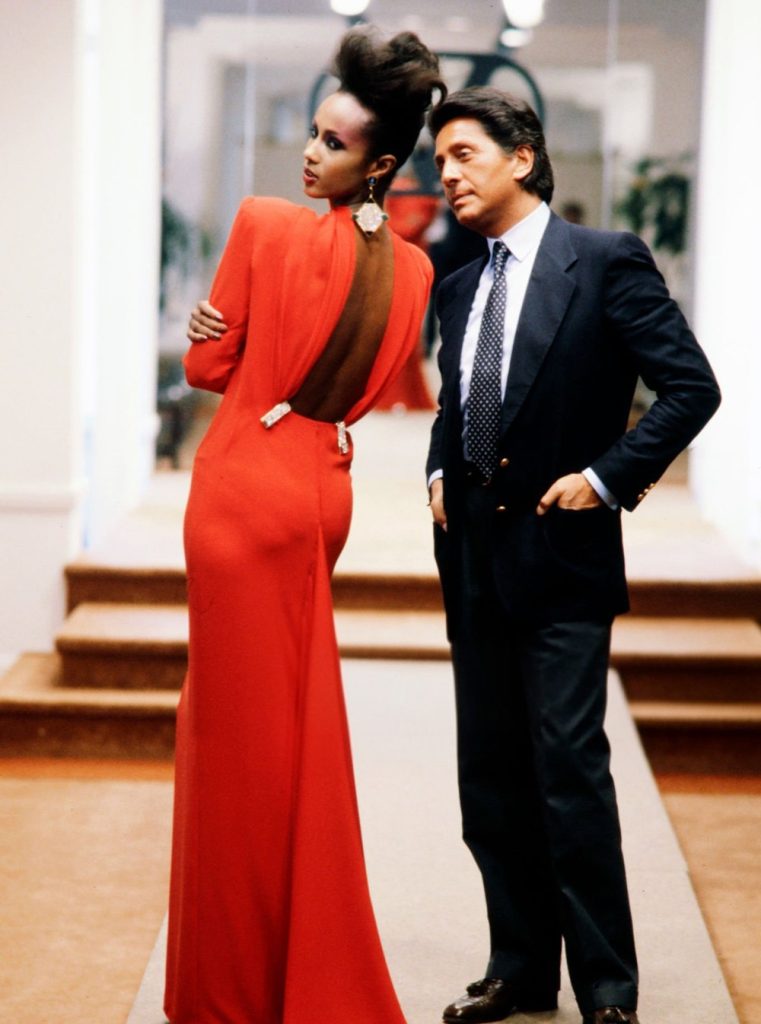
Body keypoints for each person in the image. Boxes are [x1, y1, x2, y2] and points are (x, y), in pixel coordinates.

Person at [165, 28, 445, 1024]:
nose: (310, 152)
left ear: (377, 162)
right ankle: (298, 961)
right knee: (294, 729)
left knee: (231, 740)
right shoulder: (410, 272)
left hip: (242, 491)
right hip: (321, 490)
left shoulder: (260, 224)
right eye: (313, 133)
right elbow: (363, 392)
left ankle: (229, 988)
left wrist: (213, 337)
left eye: (332, 142)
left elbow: (208, 370)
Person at [426, 88, 720, 1024]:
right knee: (489, 778)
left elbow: (690, 388)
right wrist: (437, 467)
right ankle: (518, 968)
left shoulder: (602, 261)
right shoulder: (457, 285)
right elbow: (457, 401)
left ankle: (606, 989)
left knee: (567, 771)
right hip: (473, 560)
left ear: (522, 156)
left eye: (464, 154)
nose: (446, 173)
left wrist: (604, 476)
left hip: (562, 558)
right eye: (439, 159)